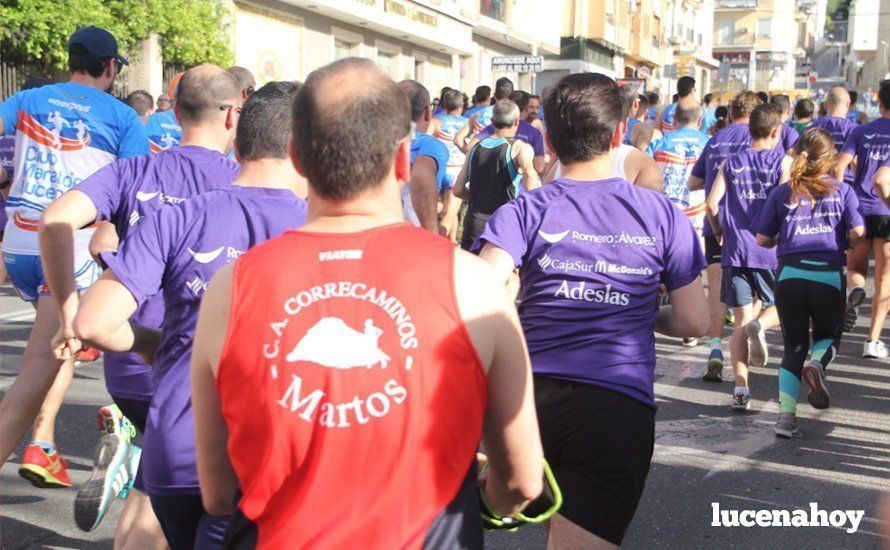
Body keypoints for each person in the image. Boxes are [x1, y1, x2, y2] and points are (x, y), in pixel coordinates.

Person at [188, 58, 544, 549]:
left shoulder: (231, 288)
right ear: (403, 159)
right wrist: (488, 504)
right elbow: (524, 481)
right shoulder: (473, 283)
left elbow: (216, 492)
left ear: (296, 157)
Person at [476, 72, 708, 548]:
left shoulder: (524, 210)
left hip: (526, 399)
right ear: (619, 135)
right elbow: (694, 321)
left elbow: (479, 294)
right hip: (615, 405)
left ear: (549, 140)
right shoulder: (662, 214)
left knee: (531, 520)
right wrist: (640, 315)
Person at [73, 80, 307, 550]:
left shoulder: (175, 218)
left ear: (237, 142)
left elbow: (93, 323)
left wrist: (149, 344)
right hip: (261, 457)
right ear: (304, 151)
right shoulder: (317, 227)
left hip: (174, 451)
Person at [39, 64, 242, 541]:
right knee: (184, 511)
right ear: (232, 115)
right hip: (192, 369)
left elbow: (55, 221)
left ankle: (127, 459)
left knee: (153, 490)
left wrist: (68, 311)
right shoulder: (240, 183)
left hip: (126, 363)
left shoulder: (133, 170)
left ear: (175, 111)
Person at [0, 26, 147, 485]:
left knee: (60, 345)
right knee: (38, 366)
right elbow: (137, 193)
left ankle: (43, 445)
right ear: (109, 67)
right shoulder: (123, 117)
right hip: (69, 246)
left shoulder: (24, 101)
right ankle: (33, 443)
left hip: (19, 241)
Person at [752, 128, 865, 437]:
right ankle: (817, 364)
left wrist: (783, 237)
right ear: (829, 160)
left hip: (789, 275)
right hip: (828, 274)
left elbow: (762, 239)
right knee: (829, 336)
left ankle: (785, 419)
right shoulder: (842, 191)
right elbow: (858, 233)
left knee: (792, 346)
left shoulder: (782, 192)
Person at [706, 103, 791, 410]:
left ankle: (741, 391)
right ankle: (762, 326)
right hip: (769, 250)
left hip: (736, 250)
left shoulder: (731, 161)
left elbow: (712, 204)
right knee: (780, 308)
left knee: (740, 323)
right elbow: (785, 205)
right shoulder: (783, 162)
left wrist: (718, 231)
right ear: (776, 131)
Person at [690, 90, 759, 382]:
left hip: (714, 224)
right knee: (753, 293)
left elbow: (695, 181)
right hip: (749, 227)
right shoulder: (758, 139)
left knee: (716, 291)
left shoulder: (715, 139)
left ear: (730, 113)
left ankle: (715, 350)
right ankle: (744, 348)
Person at [834, 81, 890, 358]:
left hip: (859, 208)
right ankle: (872, 340)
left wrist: (839, 197)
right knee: (884, 278)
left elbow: (838, 166)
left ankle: (855, 291)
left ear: (879, 103)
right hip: (886, 210)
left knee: (855, 267)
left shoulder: (861, 131)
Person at [453, 99, 540, 250]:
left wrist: (480, 199)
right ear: (516, 121)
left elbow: (458, 189)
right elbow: (531, 176)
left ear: (492, 122)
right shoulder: (520, 148)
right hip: (504, 223)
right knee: (504, 272)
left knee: (473, 272)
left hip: (474, 224)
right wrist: (534, 213)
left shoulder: (474, 148)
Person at [647, 102, 710, 265]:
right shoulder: (711, 144)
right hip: (698, 221)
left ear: (674, 120)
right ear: (700, 120)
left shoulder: (657, 145)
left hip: (664, 219)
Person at [397, 80, 447, 234]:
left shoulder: (372, 142)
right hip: (412, 238)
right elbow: (422, 175)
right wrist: (432, 233)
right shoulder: (430, 145)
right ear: (427, 113)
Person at [469, 90, 546, 175]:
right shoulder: (534, 132)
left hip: (492, 180)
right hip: (521, 184)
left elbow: (470, 147)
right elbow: (539, 168)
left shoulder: (494, 126)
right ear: (526, 108)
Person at [427, 88, 468, 240]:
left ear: (443, 105)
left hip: (439, 171)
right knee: (450, 214)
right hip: (458, 173)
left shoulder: (436, 122)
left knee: (445, 212)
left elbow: (425, 141)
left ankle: (451, 245)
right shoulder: (469, 123)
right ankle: (436, 245)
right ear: (462, 106)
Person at [454, 76, 513, 147]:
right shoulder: (516, 116)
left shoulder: (478, 114)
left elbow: (458, 139)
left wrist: (471, 154)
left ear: (494, 96)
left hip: (479, 155)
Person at [145, 72, 184, 154]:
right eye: (160, 100)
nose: (162, 102)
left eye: (165, 100)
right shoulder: (150, 120)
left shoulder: (148, 121)